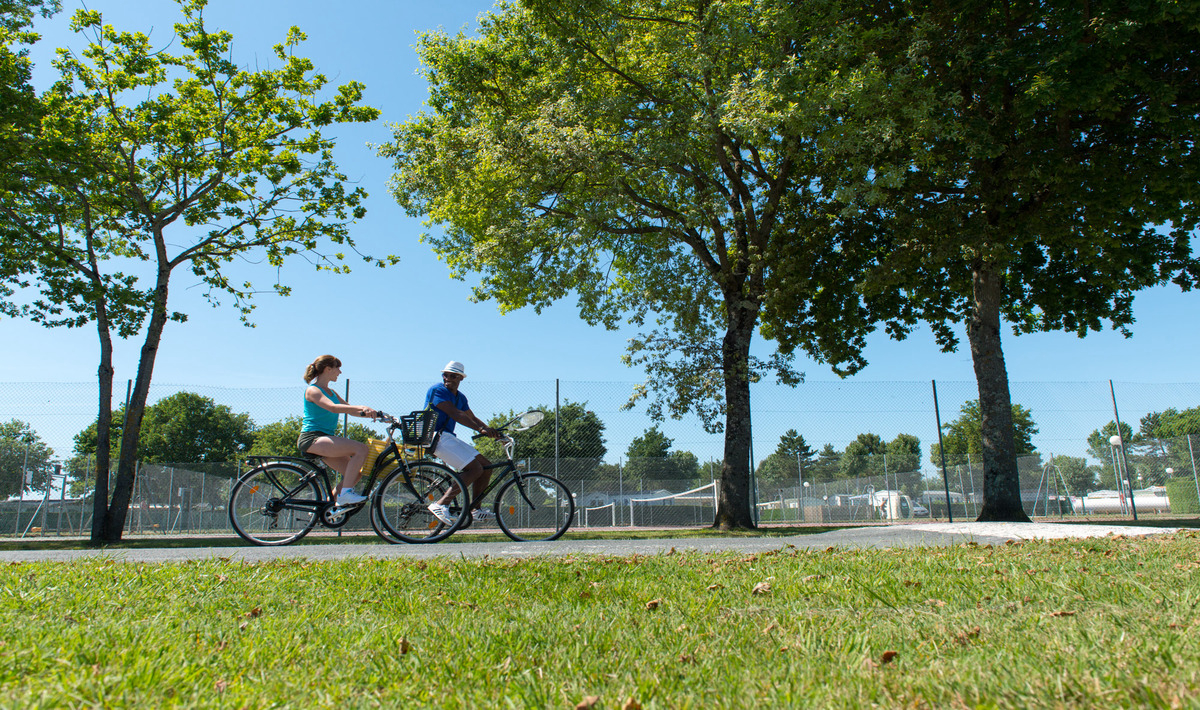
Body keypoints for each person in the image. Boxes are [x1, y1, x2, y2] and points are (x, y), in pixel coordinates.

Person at [425, 360, 501, 524]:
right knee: (474, 469)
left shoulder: (460, 397)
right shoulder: (437, 390)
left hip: (447, 437)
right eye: (446, 375)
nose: (448, 378)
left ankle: (476, 509)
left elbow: (471, 417)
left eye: (453, 376)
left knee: (486, 467)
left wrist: (492, 432)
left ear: (461, 378)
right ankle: (441, 504)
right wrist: (481, 430)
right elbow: (456, 414)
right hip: (435, 437)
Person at [299, 354, 379, 506]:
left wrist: (376, 415)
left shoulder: (332, 393)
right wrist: (361, 406)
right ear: (328, 369)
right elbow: (332, 407)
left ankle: (326, 508)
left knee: (355, 475)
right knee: (361, 449)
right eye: (338, 368)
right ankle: (345, 495)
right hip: (312, 439)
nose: (340, 372)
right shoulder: (313, 390)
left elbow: (350, 410)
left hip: (324, 439)